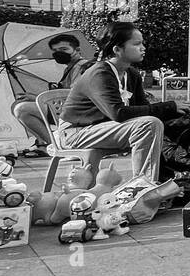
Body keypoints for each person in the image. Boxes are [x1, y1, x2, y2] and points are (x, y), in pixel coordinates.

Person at [58, 22, 179, 182]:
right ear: (117, 49)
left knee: (165, 124)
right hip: (76, 132)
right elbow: (118, 113)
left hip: (104, 127)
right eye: (136, 44)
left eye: (142, 43)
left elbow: (142, 109)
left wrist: (177, 112)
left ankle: (169, 180)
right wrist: (169, 106)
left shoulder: (132, 74)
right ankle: (143, 187)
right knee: (148, 125)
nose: (143, 48)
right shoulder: (99, 73)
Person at [12, 33, 91, 150]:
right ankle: (56, 144)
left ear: (77, 50)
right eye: (55, 50)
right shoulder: (70, 67)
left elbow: (74, 94)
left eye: (64, 49)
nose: (59, 53)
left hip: (78, 111)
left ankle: (56, 145)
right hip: (66, 108)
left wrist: (38, 98)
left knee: (22, 109)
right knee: (18, 106)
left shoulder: (81, 66)